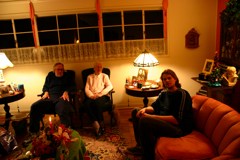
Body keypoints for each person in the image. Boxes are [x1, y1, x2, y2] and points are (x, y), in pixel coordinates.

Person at [126, 69, 194, 160]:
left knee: (145, 120)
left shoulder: (182, 94)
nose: (167, 81)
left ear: (175, 79)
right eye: (164, 79)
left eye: (169, 78)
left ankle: (148, 156)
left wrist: (151, 117)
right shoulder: (164, 93)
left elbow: (177, 120)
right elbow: (154, 107)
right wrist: (144, 109)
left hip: (178, 128)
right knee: (135, 111)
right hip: (165, 123)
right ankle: (140, 146)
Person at [29, 62, 76, 135]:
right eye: (58, 69)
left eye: (61, 69)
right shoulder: (50, 75)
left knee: (63, 110)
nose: (60, 71)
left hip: (61, 98)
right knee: (34, 106)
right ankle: (34, 132)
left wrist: (66, 91)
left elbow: (73, 86)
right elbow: (45, 86)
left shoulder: (68, 76)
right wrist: (46, 92)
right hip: (49, 98)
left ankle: (66, 132)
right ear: (54, 70)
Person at [83, 62, 113, 137]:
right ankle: (96, 123)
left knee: (97, 104)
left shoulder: (104, 76)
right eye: (97, 67)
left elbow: (110, 86)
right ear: (94, 68)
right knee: (86, 104)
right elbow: (86, 88)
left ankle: (101, 123)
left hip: (102, 95)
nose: (99, 68)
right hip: (92, 96)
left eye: (100, 67)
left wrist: (100, 94)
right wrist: (91, 95)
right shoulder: (89, 77)